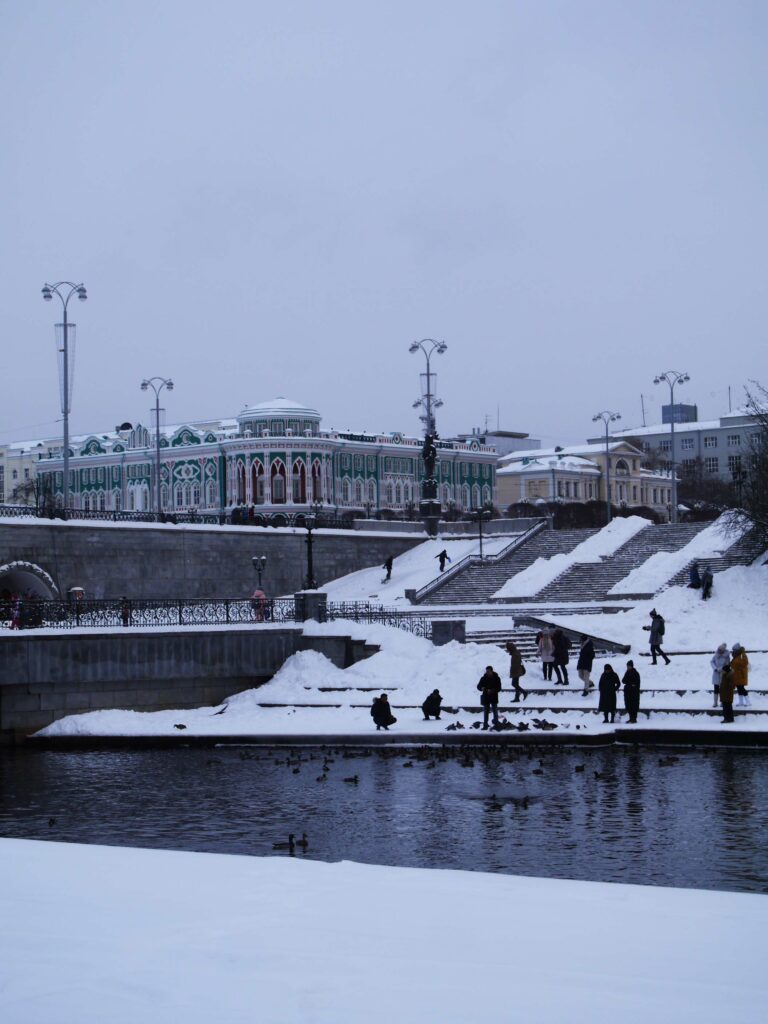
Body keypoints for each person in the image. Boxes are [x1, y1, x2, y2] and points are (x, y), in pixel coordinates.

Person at [477, 665, 502, 729]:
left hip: (494, 697)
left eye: (488, 671)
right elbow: (478, 686)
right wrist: (482, 688)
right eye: (487, 671)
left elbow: (499, 688)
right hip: (486, 697)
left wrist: (492, 690)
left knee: (495, 712)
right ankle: (485, 725)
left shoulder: (497, 678)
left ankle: (496, 725)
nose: (487, 672)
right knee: (486, 712)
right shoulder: (483, 678)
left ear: (492, 671)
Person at [710, 643, 730, 709]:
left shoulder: (726, 656)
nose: (719, 651)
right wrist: (715, 668)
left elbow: (727, 665)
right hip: (716, 673)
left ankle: (722, 701)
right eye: (719, 649)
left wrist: (721, 669)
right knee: (716, 688)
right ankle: (715, 702)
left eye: (721, 650)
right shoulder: (716, 655)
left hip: (722, 674)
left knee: (722, 689)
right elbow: (712, 662)